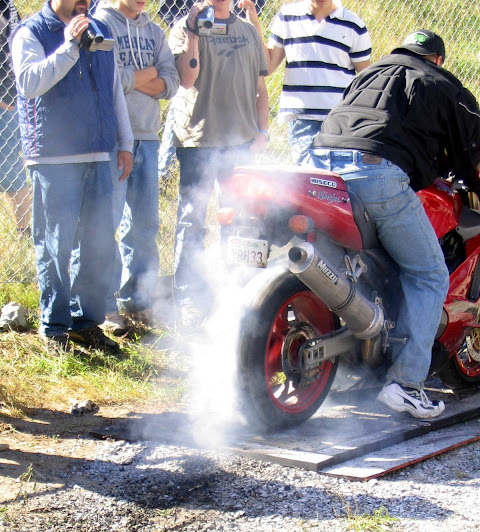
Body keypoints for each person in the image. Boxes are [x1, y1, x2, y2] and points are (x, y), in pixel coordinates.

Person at [311, 29, 480, 419]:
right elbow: (473, 152)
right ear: (438, 59)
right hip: (376, 174)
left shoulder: (369, 75)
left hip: (322, 167)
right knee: (429, 274)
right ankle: (405, 384)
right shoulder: (441, 84)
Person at [11, 0, 133, 355]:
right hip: (53, 155)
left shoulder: (101, 30)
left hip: (98, 152)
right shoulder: (31, 32)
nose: (85, 1)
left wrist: (124, 141)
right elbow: (29, 83)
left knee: (97, 243)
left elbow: (113, 91)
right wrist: (69, 46)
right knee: (55, 245)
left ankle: (86, 324)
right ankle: (55, 330)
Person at [169, 0, 269, 328]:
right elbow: (186, 78)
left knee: (241, 222)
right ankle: (189, 299)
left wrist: (263, 131)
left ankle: (237, 299)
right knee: (192, 220)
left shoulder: (249, 33)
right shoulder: (185, 27)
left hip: (240, 144)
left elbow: (260, 89)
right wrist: (194, 32)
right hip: (199, 141)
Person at [93, 0, 179, 334]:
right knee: (107, 222)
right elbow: (109, 77)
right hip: (112, 138)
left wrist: (135, 78)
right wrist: (150, 74)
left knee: (144, 224)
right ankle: (105, 303)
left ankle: (140, 300)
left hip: (149, 137)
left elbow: (171, 83)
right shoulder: (101, 24)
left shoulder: (154, 31)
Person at [244, 0, 371, 164]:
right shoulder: (288, 17)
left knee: (336, 183)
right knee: (308, 182)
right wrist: (254, 22)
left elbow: (365, 81)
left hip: (339, 123)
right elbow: (268, 66)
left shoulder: (354, 25)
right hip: (301, 123)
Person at [0, 0, 31, 235]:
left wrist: (9, 92)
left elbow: (14, 47)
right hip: (9, 91)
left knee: (9, 160)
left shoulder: (7, 5)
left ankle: (24, 230)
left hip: (7, 95)